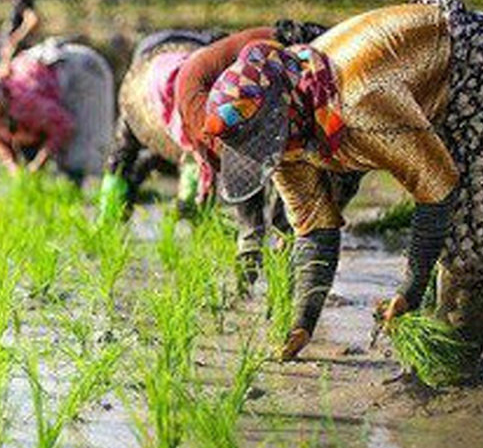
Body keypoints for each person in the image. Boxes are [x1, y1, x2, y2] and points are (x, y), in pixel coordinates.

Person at [203, 0, 483, 379]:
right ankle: (426, 329)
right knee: (433, 230)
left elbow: (437, 188)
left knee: (465, 238)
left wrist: (408, 287)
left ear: (288, 114)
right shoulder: (284, 132)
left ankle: (455, 368)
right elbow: (314, 227)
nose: (274, 156)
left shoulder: (360, 103)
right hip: (420, 86)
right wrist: (302, 324)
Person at [101, 22, 332, 291]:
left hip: (229, 87)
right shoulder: (209, 85)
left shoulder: (290, 58)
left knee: (272, 166)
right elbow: (236, 156)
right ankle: (249, 245)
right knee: (242, 172)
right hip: (217, 95)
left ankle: (269, 248)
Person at [0, 40, 114, 181]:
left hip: (82, 70)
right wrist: (14, 169)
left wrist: (38, 164)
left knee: (85, 154)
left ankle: (95, 192)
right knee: (61, 159)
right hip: (53, 76)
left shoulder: (22, 100)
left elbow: (64, 126)